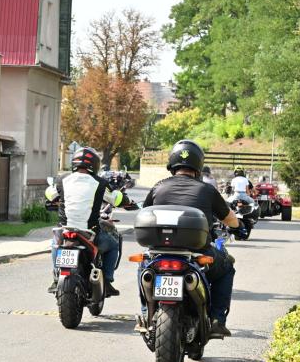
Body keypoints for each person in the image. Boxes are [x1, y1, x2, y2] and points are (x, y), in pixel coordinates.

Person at [142, 140, 239, 337]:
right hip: (197, 252)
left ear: (172, 163)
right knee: (227, 266)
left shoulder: (158, 187)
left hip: (159, 252)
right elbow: (230, 219)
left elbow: (145, 213)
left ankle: (146, 314)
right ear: (198, 165)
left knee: (144, 269)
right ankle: (217, 320)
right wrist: (238, 225)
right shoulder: (207, 190)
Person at [48, 146, 131, 296]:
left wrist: (54, 200)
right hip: (89, 232)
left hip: (65, 230)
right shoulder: (100, 183)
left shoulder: (61, 179)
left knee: (55, 243)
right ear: (95, 165)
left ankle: (56, 278)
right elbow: (116, 198)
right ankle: (107, 281)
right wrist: (128, 201)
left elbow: (50, 194)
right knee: (113, 244)